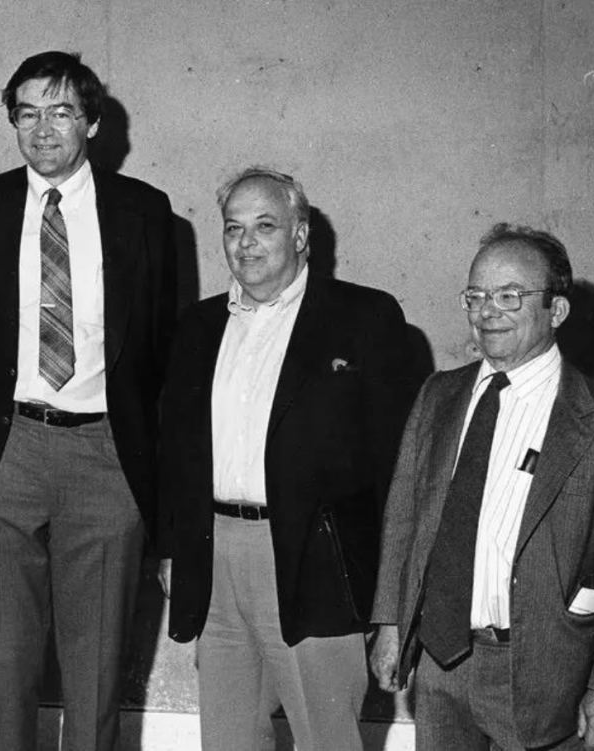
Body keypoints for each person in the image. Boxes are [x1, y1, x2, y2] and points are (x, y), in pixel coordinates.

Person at [0, 50, 176, 751]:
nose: (44, 128)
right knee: (1, 668)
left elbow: (161, 352)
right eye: (29, 112)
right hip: (4, 450)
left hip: (106, 453)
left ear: (94, 122)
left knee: (97, 672)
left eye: (63, 111)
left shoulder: (144, 211)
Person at [371, 224, 594, 750]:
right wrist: (390, 624)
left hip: (545, 672)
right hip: (441, 661)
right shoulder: (440, 395)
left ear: (556, 311)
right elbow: (403, 518)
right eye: (477, 296)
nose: (488, 312)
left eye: (510, 296)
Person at [156, 168, 419, 750]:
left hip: (316, 560)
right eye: (233, 228)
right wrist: (173, 547)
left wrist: (393, 601)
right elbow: (177, 449)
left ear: (300, 236)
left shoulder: (364, 318)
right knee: (227, 740)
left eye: (264, 226)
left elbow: (399, 467)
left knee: (327, 739)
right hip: (217, 558)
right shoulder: (198, 326)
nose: (246, 243)